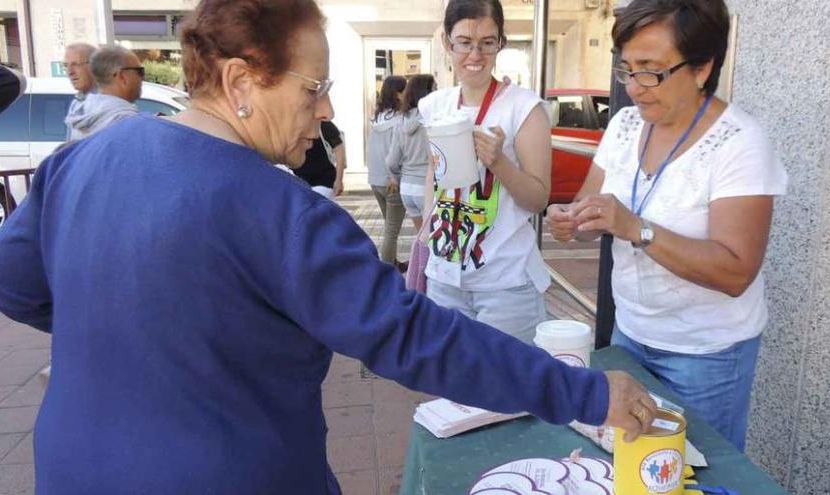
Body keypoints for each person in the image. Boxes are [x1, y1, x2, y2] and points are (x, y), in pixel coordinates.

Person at [0, 0, 656, 492]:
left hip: (71, 467)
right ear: (238, 83)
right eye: (312, 88)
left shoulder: (81, 160)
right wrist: (587, 394)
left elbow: (17, 282)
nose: (323, 110)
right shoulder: (277, 208)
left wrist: (131, 326)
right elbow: (416, 337)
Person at [547, 0, 788, 451]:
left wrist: (638, 228)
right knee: (629, 461)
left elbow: (736, 272)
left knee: (692, 470)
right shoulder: (622, 126)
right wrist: (573, 221)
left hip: (707, 357)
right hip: (630, 334)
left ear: (702, 68)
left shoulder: (739, 144)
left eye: (651, 71)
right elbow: (591, 205)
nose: (636, 87)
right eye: (627, 69)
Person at [418, 0, 552, 344]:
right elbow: (433, 177)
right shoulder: (435, 106)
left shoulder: (524, 108)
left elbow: (538, 199)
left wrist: (499, 163)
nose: (475, 54)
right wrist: (426, 231)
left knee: (505, 394)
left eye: (487, 42)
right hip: (445, 277)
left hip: (505, 283)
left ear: (500, 43)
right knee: (450, 387)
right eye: (464, 42)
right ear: (447, 43)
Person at [366, 75, 407, 268]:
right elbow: (395, 153)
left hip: (375, 180)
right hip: (392, 181)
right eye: (404, 89)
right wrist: (395, 177)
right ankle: (388, 270)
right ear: (397, 93)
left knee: (390, 227)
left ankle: (393, 262)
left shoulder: (376, 117)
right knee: (391, 231)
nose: (407, 93)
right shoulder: (399, 120)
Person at [386, 74, 436, 232]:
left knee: (421, 238)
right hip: (426, 186)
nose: (438, 92)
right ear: (426, 93)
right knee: (433, 242)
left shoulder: (400, 121)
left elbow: (391, 161)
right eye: (435, 89)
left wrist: (398, 177)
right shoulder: (432, 120)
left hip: (407, 188)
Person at [65, 45, 144, 140]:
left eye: (75, 64)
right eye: (140, 71)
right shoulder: (127, 122)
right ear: (122, 76)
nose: (69, 71)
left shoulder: (79, 114)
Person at [292, 119, 345, 199]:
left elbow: (339, 150)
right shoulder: (291, 124)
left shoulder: (322, 124)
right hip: (298, 182)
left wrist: (339, 180)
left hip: (324, 182)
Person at [62, 43, 97, 140]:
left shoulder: (108, 103)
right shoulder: (76, 103)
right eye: (66, 65)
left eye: (75, 64)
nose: (70, 72)